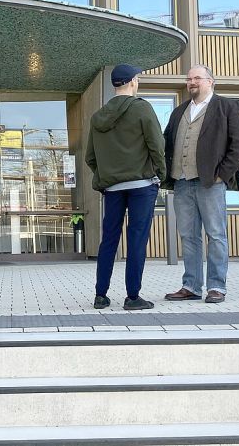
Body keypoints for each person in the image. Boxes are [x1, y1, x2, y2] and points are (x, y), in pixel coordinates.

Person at [162, 64, 239, 304]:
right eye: (189, 78)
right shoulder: (178, 112)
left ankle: (216, 287)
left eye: (197, 78)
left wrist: (222, 174)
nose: (192, 82)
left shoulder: (227, 107)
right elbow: (166, 143)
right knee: (188, 236)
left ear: (211, 81)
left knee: (216, 235)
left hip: (211, 183)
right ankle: (191, 285)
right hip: (181, 182)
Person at [85, 64, 166, 310]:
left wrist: (105, 177)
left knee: (109, 239)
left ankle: (101, 295)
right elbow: (156, 145)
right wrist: (160, 174)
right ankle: (132, 297)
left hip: (112, 188)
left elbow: (90, 157)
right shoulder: (142, 108)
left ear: (114, 85)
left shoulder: (98, 116)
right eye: (137, 78)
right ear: (132, 81)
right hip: (142, 185)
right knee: (136, 239)